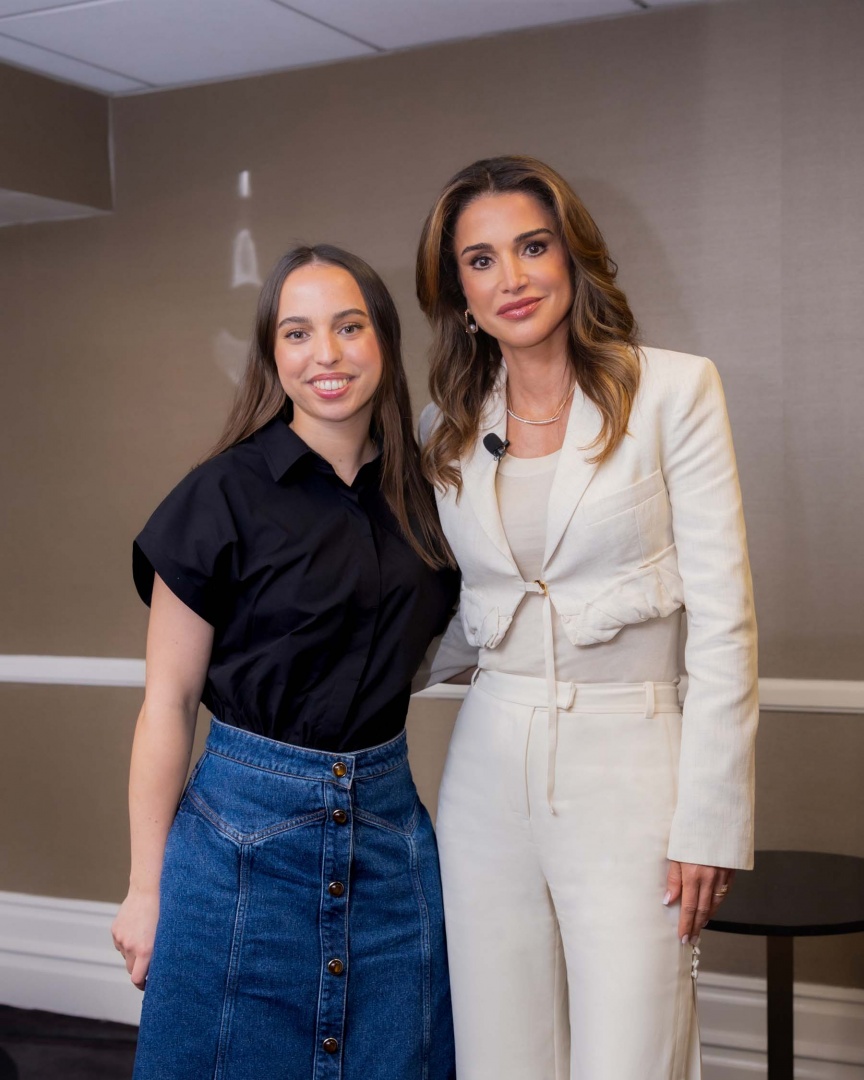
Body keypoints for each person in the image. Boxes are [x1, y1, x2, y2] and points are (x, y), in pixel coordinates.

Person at [415, 156, 758, 1079]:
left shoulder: (675, 393)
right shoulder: (441, 428)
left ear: (573, 257)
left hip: (634, 771)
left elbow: (727, 624)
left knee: (632, 1056)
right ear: (459, 291)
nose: (512, 278)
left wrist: (711, 823)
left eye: (532, 247)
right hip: (486, 772)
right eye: (481, 261)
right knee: (498, 1053)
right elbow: (451, 609)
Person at [111, 244, 459, 1080]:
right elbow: (168, 701)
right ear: (273, 353)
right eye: (297, 333)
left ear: (384, 339)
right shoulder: (219, 495)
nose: (326, 355)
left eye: (349, 327)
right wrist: (144, 887)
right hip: (237, 847)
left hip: (390, 846)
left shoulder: (432, 499)